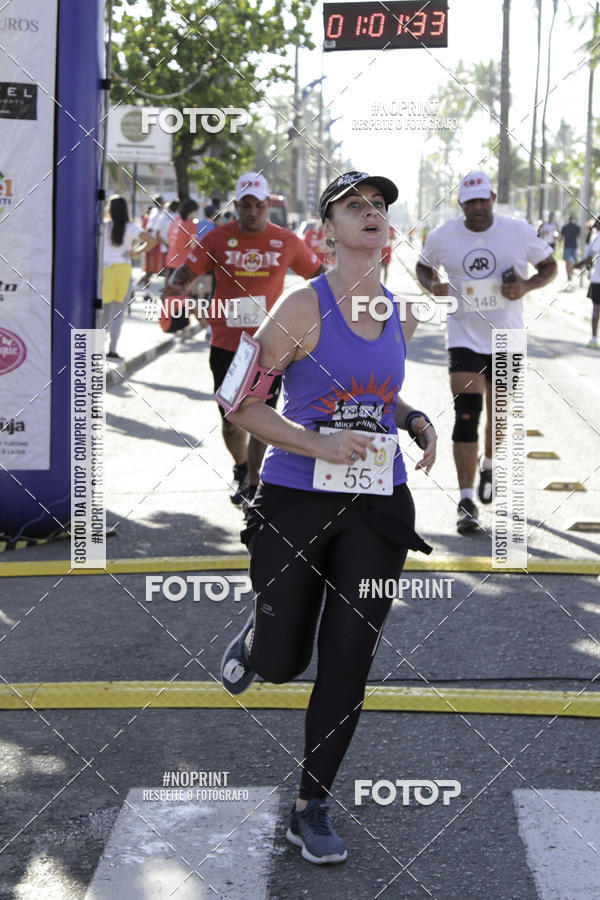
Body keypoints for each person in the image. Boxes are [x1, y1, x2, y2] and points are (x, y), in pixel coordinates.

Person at [218, 171, 435, 864]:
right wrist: (315, 443)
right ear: (327, 231)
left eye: (379, 205)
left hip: (377, 502)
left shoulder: (402, 312)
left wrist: (415, 418)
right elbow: (239, 404)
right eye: (355, 206)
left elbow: (379, 394)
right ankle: (258, 642)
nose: (371, 213)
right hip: (297, 497)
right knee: (285, 663)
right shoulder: (297, 309)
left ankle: (311, 805)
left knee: (348, 659)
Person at [164, 172, 325, 506]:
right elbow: (184, 273)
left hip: (271, 346)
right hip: (226, 343)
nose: (252, 211)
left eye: (259, 205)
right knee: (231, 421)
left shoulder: (287, 241)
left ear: (268, 205)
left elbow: (320, 279)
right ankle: (240, 469)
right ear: (236, 205)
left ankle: (255, 486)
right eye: (246, 205)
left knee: (263, 418)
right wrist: (178, 286)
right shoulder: (216, 239)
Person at [416, 170, 557, 533]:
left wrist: (525, 286)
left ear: (493, 198)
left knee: (499, 415)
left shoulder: (519, 231)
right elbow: (422, 265)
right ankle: (465, 501)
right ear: (460, 203)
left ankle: (489, 466)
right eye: (470, 201)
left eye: (482, 200)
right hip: (463, 334)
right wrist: (434, 285)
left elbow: (550, 266)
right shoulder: (443, 236)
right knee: (466, 414)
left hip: (507, 336)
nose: (477, 207)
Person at [101, 195, 156, 358]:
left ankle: (97, 349)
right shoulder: (130, 227)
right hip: (123, 269)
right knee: (118, 312)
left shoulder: (103, 226)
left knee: (103, 311)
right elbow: (151, 240)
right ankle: (112, 349)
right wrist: (136, 252)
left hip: (105, 270)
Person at [573, 217, 600, 348]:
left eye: (596, 221)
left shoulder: (598, 238)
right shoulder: (595, 237)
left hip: (597, 280)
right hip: (596, 278)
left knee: (596, 309)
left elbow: (589, 258)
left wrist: (577, 265)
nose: (594, 224)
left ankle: (594, 338)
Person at [165, 198, 199, 279]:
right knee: (181, 289)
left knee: (171, 288)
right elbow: (193, 246)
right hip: (183, 263)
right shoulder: (191, 225)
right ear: (192, 211)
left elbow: (168, 240)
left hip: (171, 259)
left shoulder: (175, 221)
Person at [560, 215, 581, 290]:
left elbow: (561, 237)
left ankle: (568, 274)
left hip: (567, 246)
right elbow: (579, 236)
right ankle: (570, 273)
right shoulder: (576, 226)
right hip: (574, 246)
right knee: (572, 262)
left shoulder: (565, 227)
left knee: (567, 262)